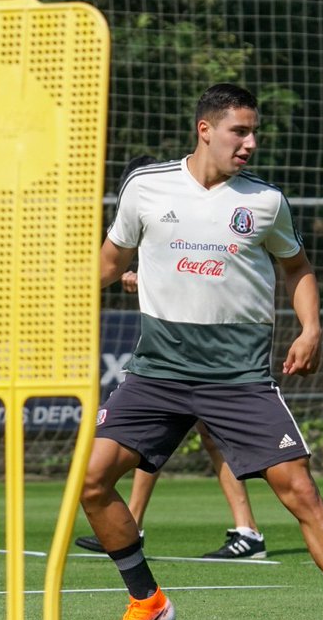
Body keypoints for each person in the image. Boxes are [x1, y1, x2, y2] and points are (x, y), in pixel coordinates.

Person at [79, 83, 323, 620]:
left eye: (254, 132)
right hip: (158, 371)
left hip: (239, 378)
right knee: (91, 480)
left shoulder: (265, 201)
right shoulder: (145, 189)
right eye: (238, 131)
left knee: (299, 491)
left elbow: (298, 268)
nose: (249, 143)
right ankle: (146, 602)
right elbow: (109, 261)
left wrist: (312, 328)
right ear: (205, 129)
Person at [76, 229, 267, 559]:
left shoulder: (198, 208)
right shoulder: (152, 209)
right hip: (175, 342)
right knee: (156, 436)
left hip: (215, 344)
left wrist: (146, 278)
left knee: (204, 434)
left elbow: (202, 267)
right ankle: (136, 523)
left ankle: (248, 531)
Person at [73, 420, 268, 559]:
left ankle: (248, 532)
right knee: (154, 434)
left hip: (203, 367)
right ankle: (131, 527)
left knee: (211, 434)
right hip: (172, 366)